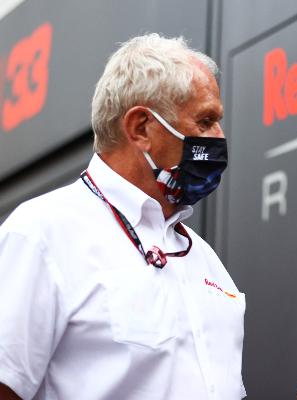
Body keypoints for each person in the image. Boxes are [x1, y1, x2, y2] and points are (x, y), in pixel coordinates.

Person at [0, 34, 245, 399]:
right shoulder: (42, 233)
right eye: (206, 121)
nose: (219, 137)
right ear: (141, 128)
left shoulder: (205, 260)